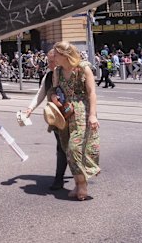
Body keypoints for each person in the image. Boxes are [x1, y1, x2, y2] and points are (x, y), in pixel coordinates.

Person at [51, 41, 100, 201]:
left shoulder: (83, 67)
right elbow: (55, 90)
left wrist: (92, 115)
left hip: (82, 113)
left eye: (56, 55)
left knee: (75, 148)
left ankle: (82, 184)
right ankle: (79, 183)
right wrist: (54, 97)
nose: (54, 57)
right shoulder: (57, 71)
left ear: (64, 55)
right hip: (66, 113)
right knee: (68, 149)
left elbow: (92, 92)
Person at [23, 49, 67, 190]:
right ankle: (59, 179)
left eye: (52, 61)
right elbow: (41, 93)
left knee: (71, 147)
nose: (49, 64)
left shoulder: (68, 74)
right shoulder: (48, 76)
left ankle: (78, 174)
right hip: (56, 117)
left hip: (70, 116)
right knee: (61, 147)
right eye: (48, 61)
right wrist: (30, 109)